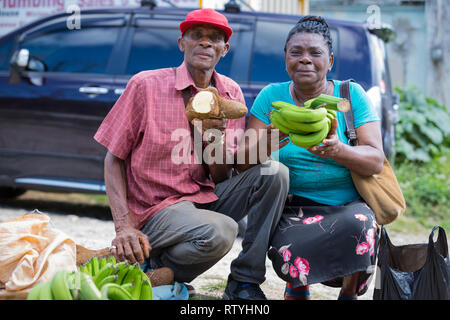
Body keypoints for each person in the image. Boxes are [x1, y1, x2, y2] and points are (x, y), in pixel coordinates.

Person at [93, 8, 289, 300]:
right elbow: (114, 158)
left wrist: (216, 141)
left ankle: (245, 281)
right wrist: (123, 227)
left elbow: (222, 175)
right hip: (156, 209)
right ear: (181, 43)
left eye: (214, 39)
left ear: (225, 49)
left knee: (275, 173)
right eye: (197, 36)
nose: (205, 43)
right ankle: (154, 268)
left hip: (204, 200)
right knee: (222, 230)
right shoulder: (146, 85)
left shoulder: (230, 93)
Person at [241, 16, 384, 300]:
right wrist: (275, 134)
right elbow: (243, 160)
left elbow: (376, 159)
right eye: (296, 53)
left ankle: (348, 294)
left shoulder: (349, 95)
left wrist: (338, 149)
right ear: (286, 60)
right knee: (291, 249)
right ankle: (297, 288)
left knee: (361, 224)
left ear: (329, 60)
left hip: (346, 206)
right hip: (291, 209)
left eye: (315, 53)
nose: (305, 60)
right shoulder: (271, 98)